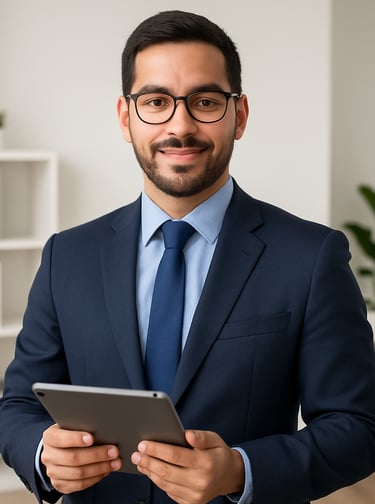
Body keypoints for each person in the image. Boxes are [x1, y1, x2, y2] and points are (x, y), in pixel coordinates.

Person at [0, 9, 374, 504]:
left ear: (238, 115)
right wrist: (43, 452)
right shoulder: (67, 256)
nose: (181, 125)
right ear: (125, 117)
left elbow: (358, 426)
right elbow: (18, 405)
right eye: (156, 101)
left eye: (205, 101)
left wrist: (240, 471)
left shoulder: (311, 256)